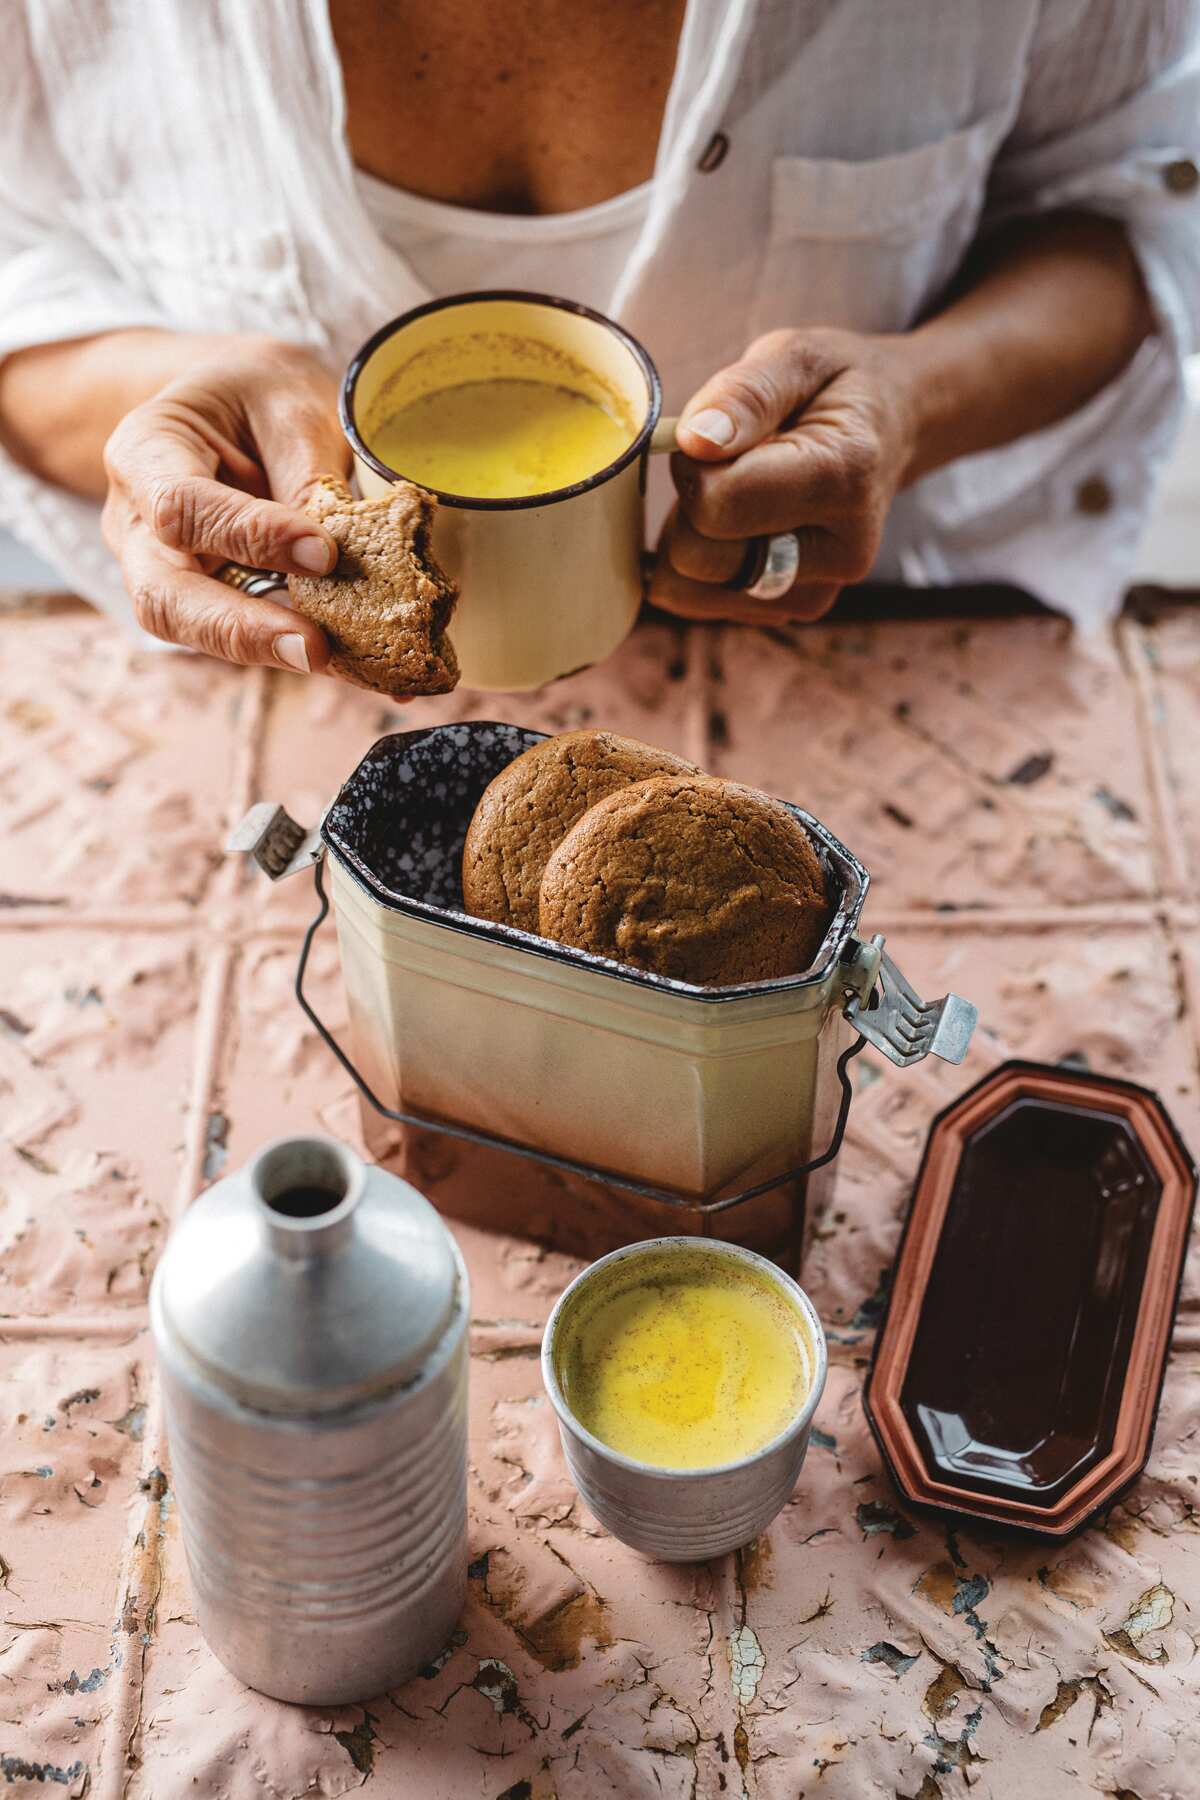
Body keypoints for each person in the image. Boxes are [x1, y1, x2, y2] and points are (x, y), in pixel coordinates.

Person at [1, 1, 1198, 680]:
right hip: (276, 698)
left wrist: (918, 401)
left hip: (850, 657)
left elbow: (1129, 203)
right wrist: (160, 405)